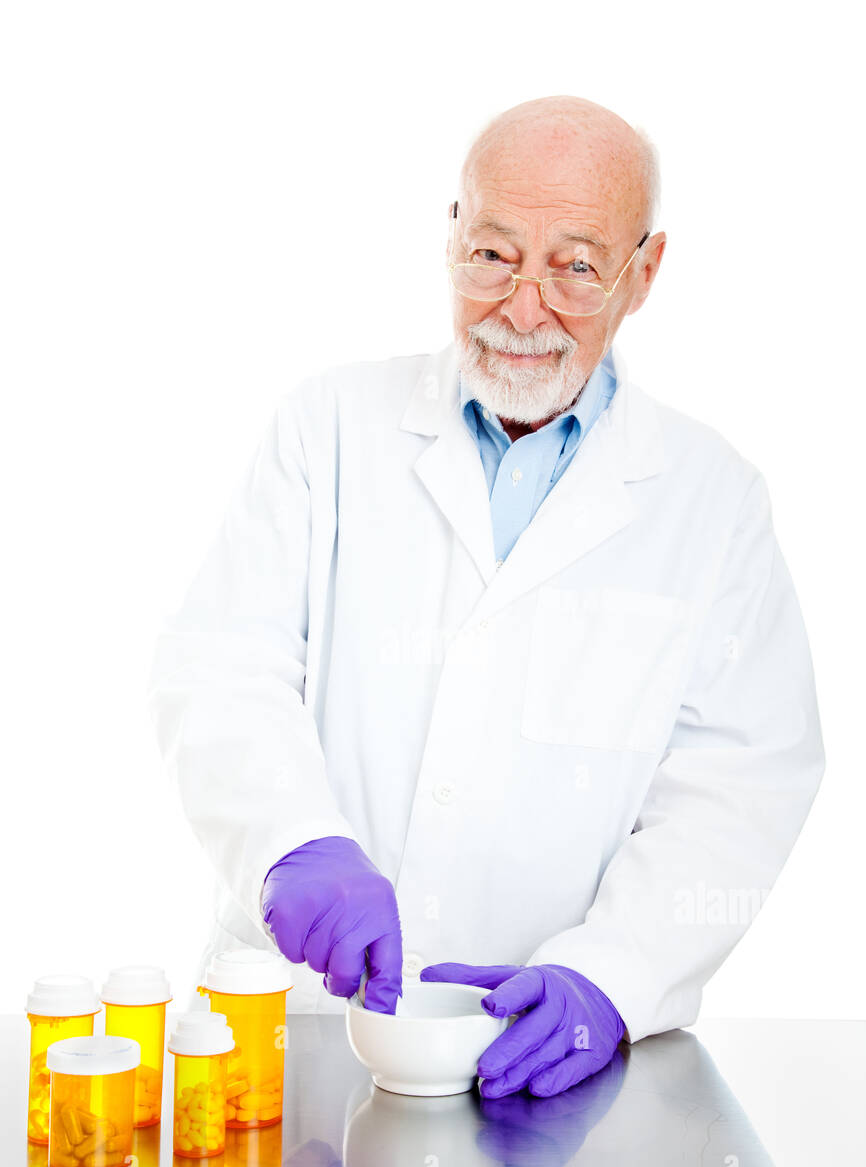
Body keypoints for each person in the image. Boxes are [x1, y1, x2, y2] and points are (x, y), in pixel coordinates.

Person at [149, 95, 824, 1098]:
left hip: (535, 1065)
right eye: (494, 254)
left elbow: (740, 780)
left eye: (575, 267)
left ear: (643, 273)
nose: (521, 308)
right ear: (450, 234)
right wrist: (293, 843)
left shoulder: (712, 501)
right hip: (294, 1040)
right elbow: (218, 667)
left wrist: (610, 975)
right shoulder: (325, 427)